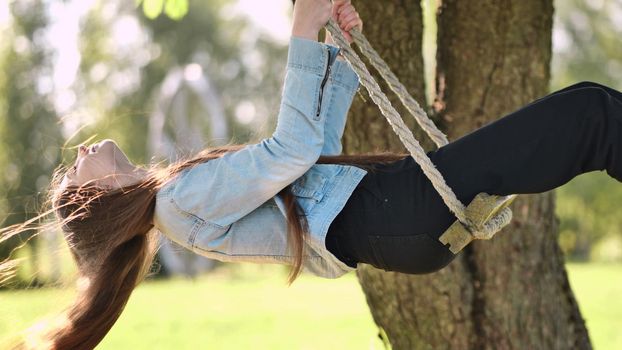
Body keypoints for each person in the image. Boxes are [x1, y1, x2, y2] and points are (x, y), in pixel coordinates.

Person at [2, 0, 622, 348]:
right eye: (74, 170)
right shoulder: (180, 201)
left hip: (393, 220)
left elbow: (313, 157)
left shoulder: (180, 204)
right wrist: (301, 32)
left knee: (592, 119)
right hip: (393, 214)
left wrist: (331, 52)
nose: (80, 151)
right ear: (99, 199)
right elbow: (292, 151)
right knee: (590, 113)